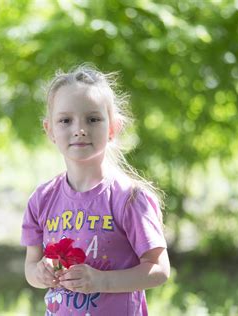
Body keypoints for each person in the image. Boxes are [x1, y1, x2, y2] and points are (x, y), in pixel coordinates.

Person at [21, 64, 170, 316]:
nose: (79, 129)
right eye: (65, 120)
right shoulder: (42, 199)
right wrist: (40, 274)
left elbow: (159, 270)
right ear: (50, 130)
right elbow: (30, 267)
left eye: (93, 119)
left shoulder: (130, 199)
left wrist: (102, 281)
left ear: (112, 128)